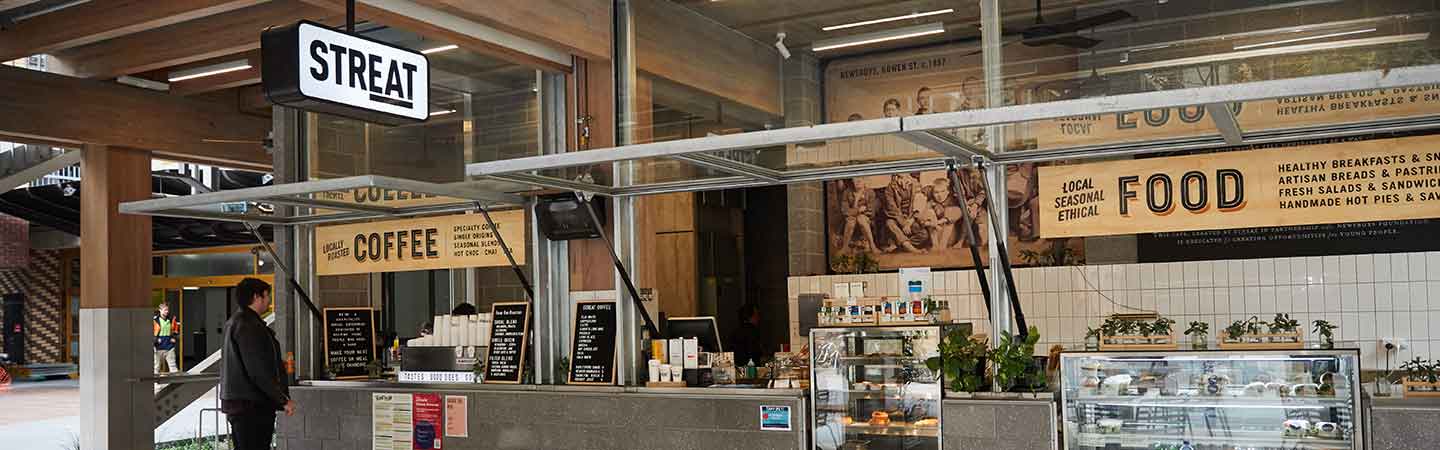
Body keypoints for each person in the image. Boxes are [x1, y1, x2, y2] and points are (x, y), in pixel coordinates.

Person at [221, 278, 294, 450]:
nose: (269, 301)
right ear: (256, 297)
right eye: (267, 296)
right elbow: (257, 370)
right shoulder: (249, 325)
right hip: (251, 406)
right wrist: (282, 399)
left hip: (243, 404)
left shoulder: (237, 321)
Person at [881, 173, 922, 253]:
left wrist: (910, 221)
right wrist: (904, 224)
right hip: (896, 218)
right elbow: (892, 209)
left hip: (910, 218)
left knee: (924, 234)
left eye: (907, 176)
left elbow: (918, 205)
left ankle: (899, 245)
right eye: (900, 177)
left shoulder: (915, 185)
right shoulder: (889, 189)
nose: (905, 180)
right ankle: (908, 247)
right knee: (889, 223)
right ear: (896, 177)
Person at [837, 180, 880, 254]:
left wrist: (859, 213)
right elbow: (844, 210)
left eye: (860, 179)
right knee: (851, 222)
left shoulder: (870, 192)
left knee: (861, 219)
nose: (858, 181)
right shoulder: (847, 192)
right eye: (855, 178)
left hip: (866, 218)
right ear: (852, 181)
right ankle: (845, 248)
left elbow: (871, 210)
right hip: (851, 218)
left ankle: (872, 246)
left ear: (864, 181)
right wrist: (857, 208)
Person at [153, 303, 180, 374]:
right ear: (160, 310)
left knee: (173, 367)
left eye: (167, 310)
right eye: (165, 310)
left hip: (169, 346)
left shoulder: (171, 320)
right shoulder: (155, 321)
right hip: (158, 346)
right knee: (156, 367)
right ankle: (156, 384)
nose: (167, 311)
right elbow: (150, 332)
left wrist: (174, 338)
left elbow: (176, 330)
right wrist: (155, 340)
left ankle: (174, 384)